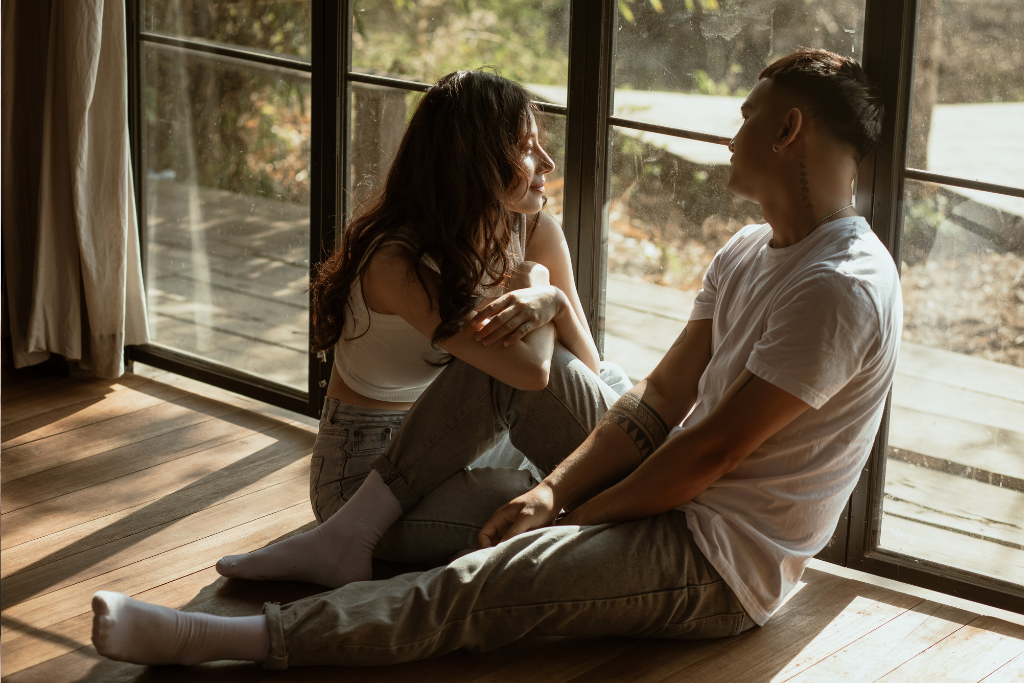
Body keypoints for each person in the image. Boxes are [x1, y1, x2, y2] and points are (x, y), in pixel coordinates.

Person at [90, 48, 901, 669]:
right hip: (676, 491)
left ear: (788, 129)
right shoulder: (751, 249)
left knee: (486, 582)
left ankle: (223, 636)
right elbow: (656, 402)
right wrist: (551, 487)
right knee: (513, 375)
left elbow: (710, 448)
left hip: (720, 559)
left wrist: (571, 517)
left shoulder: (839, 288)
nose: (732, 133)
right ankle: (355, 529)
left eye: (747, 115)